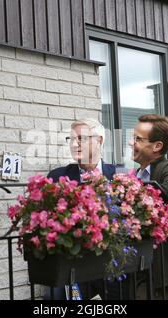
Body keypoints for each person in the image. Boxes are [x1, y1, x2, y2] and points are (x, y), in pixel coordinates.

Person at [45, 118, 116, 300]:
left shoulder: (118, 176)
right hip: (71, 264)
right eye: (71, 139)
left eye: (81, 139)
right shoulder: (57, 177)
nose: (75, 144)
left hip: (108, 261)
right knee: (55, 296)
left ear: (99, 141)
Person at [129, 114, 168, 300]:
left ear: (157, 146)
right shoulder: (135, 174)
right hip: (140, 270)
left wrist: (134, 191)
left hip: (164, 274)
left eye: (138, 139)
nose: (132, 143)